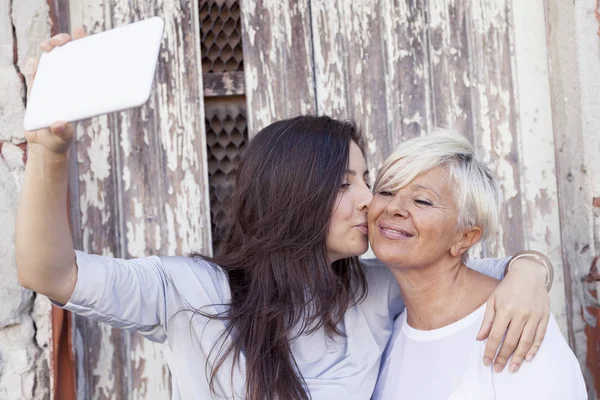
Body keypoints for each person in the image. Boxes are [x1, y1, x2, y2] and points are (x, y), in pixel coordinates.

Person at [16, 31, 553, 400]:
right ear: (294, 195)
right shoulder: (194, 292)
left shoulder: (380, 288)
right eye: (347, 184)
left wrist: (532, 271)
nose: (371, 200)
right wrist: (50, 150)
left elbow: (483, 271)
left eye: (368, 180)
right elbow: (51, 273)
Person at [370, 131, 586, 399]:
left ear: (464, 238)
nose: (393, 207)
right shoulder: (388, 330)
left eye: (422, 200)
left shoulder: (515, 326)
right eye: (386, 191)